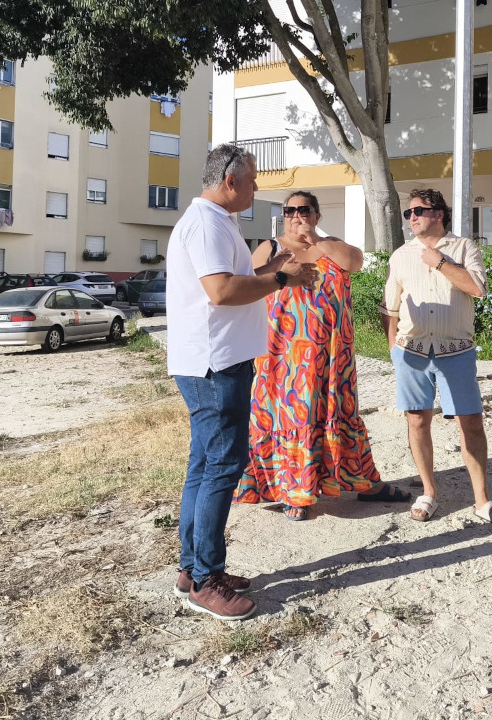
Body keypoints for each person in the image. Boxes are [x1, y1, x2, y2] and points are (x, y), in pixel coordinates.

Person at [167, 144, 319, 620]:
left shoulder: (216, 221)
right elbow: (221, 291)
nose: (256, 188)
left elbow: (236, 277)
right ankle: (206, 580)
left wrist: (276, 271)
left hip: (213, 361)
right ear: (229, 181)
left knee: (204, 465)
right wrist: (283, 283)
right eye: (252, 180)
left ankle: (192, 570)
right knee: (220, 469)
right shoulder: (208, 223)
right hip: (216, 365)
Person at [235, 191, 410, 521]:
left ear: (316, 215)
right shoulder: (271, 248)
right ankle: (293, 492)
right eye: (289, 210)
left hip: (332, 356)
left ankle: (365, 483)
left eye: (304, 210)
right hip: (283, 358)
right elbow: (248, 282)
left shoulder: (331, 245)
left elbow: (355, 262)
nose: (296, 216)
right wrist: (279, 268)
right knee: (288, 417)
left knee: (339, 414)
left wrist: (315, 240)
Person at [380, 188, 492, 528]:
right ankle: (429, 492)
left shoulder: (464, 247)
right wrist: (393, 346)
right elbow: (390, 307)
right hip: (412, 353)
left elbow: (477, 289)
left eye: (418, 211)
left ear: (438, 214)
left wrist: (440, 262)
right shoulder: (400, 255)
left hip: (456, 352)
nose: (412, 217)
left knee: (469, 422)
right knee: (417, 420)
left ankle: (482, 500)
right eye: (409, 213)